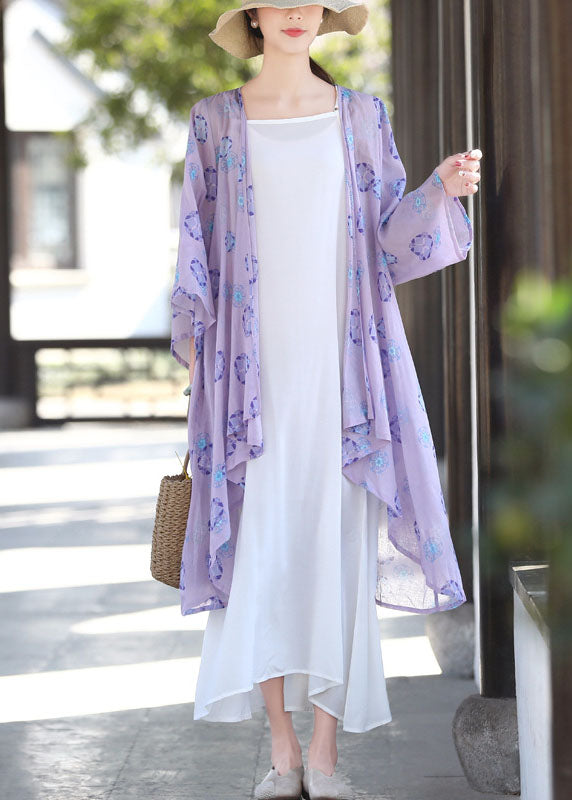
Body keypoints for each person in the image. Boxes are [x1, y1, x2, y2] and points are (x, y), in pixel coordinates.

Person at [171, 3, 482, 798]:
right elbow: (195, 252)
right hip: (250, 379)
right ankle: (282, 750)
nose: (294, 13)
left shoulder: (363, 116)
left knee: (337, 550)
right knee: (263, 551)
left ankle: (326, 754)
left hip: (347, 376)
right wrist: (200, 363)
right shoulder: (214, 122)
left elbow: (387, 242)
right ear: (252, 16)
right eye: (277, 0)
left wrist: (439, 191)